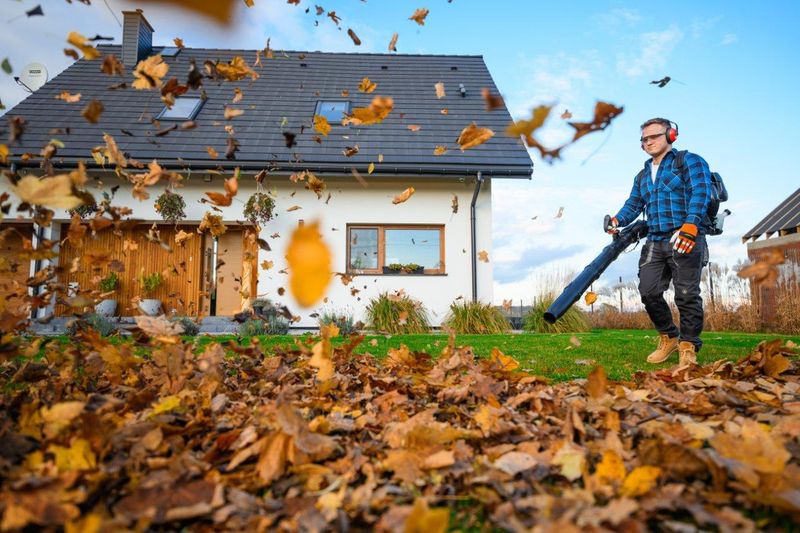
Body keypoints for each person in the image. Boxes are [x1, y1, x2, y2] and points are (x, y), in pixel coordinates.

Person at [605, 118, 712, 366]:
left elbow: (701, 191)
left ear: (671, 135)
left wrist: (691, 225)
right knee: (648, 291)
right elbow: (634, 204)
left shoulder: (688, 161)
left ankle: (688, 345)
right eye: (644, 139)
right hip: (655, 239)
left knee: (686, 294)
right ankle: (669, 336)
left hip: (685, 236)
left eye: (654, 136)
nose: (649, 141)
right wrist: (617, 219)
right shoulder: (642, 175)